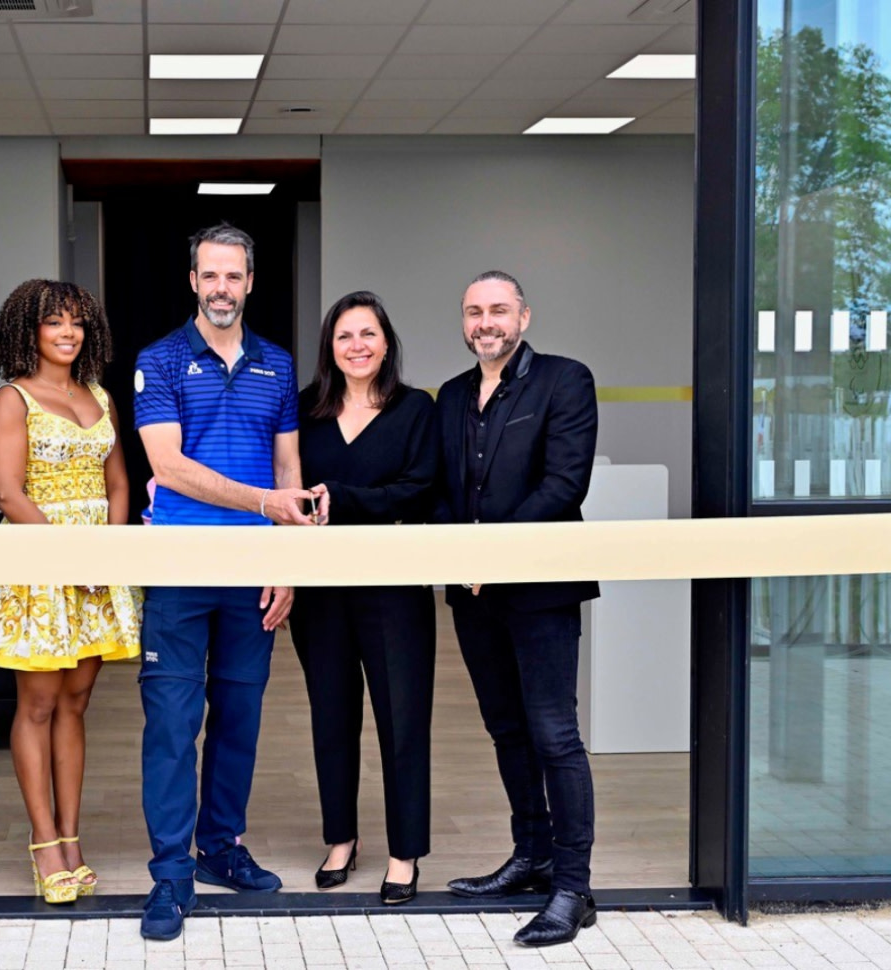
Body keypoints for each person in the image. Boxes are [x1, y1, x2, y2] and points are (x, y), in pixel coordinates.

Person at [133, 223, 322, 941]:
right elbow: (170, 467)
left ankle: (221, 848)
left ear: (249, 282)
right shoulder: (159, 360)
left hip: (254, 577)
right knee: (174, 728)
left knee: (239, 722)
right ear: (193, 282)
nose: (221, 288)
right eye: (210, 276)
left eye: (233, 277)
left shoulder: (277, 365)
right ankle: (170, 877)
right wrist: (267, 508)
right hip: (180, 571)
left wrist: (286, 560)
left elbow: (287, 472)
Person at [0, 279, 139, 906]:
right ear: (26, 330)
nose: (68, 333)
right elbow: (8, 493)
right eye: (54, 322)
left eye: (77, 323)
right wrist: (70, 556)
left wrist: (107, 553)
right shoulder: (12, 398)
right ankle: (43, 843)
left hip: (96, 570)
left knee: (75, 703)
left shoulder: (98, 396)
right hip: (40, 568)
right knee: (36, 703)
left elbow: (119, 483)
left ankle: (72, 835)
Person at [435, 271, 601, 947]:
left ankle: (573, 886)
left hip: (541, 589)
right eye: (474, 311)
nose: (485, 322)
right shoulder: (448, 396)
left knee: (554, 732)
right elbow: (440, 490)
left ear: (523, 316)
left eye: (498, 309)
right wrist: (459, 555)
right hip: (474, 597)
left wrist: (489, 557)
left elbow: (565, 484)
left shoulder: (565, 380)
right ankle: (530, 856)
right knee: (507, 729)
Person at [292, 291, 439, 905]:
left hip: (394, 587)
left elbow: (422, 490)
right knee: (331, 717)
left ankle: (404, 854)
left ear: (387, 342)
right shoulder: (305, 409)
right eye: (345, 335)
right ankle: (341, 840)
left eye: (368, 334)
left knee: (403, 722)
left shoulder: (415, 410)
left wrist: (345, 499)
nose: (357, 346)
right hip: (321, 590)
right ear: (330, 346)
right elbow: (283, 485)